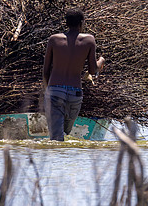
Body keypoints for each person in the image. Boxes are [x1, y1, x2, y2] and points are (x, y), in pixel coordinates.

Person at [42, 8, 105, 141]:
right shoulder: (89, 40)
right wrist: (101, 61)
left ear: (66, 22)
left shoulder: (54, 39)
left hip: (55, 91)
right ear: (81, 23)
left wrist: (48, 91)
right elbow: (93, 70)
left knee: (57, 138)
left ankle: (57, 154)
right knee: (66, 133)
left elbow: (46, 70)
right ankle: (67, 154)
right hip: (75, 94)